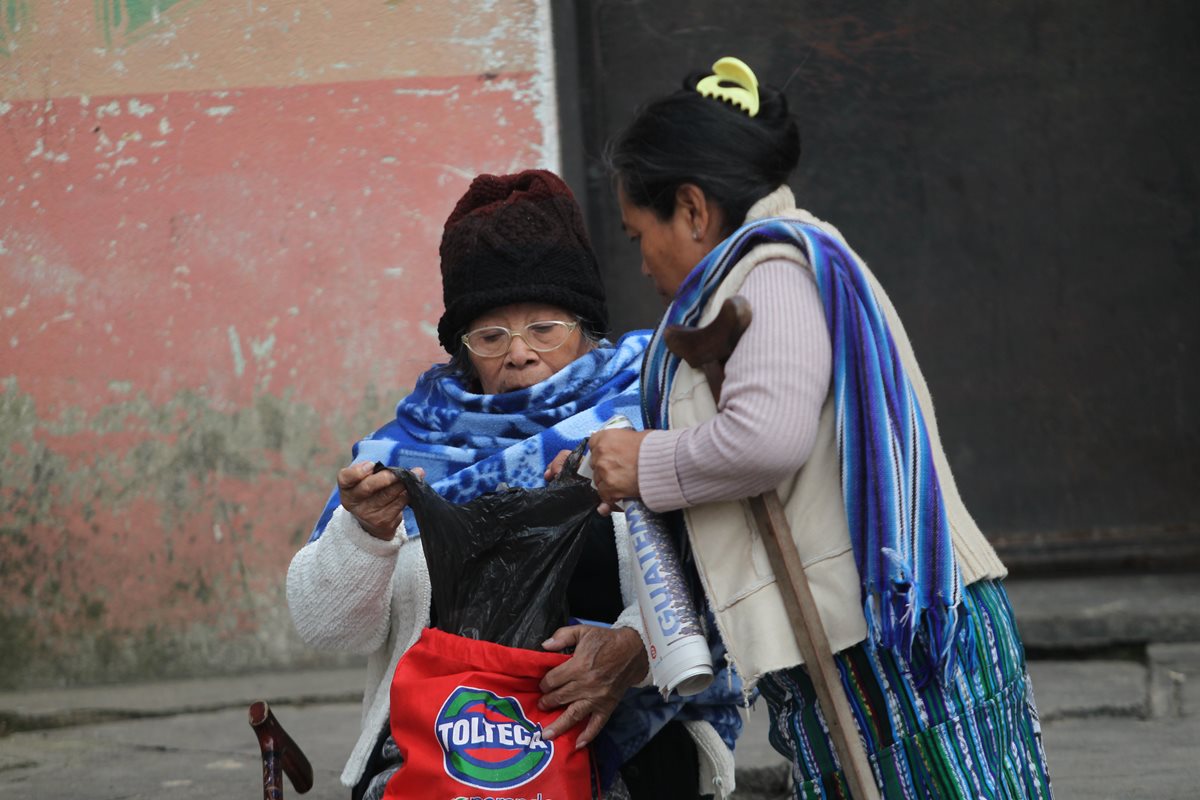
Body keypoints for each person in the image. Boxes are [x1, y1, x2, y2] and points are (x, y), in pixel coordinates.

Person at [579, 58, 1054, 798]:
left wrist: (648, 464)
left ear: (694, 210)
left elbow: (765, 439)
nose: (639, 261)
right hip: (849, 642)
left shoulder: (775, 273)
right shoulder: (760, 272)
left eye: (640, 233)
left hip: (894, 643)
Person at [286, 169, 742, 800]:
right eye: (491, 335)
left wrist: (636, 647)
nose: (519, 353)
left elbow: (729, 574)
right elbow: (327, 627)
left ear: (585, 326)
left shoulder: (649, 415)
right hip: (445, 758)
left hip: (628, 745)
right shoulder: (413, 449)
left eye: (544, 328)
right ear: (462, 349)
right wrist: (365, 536)